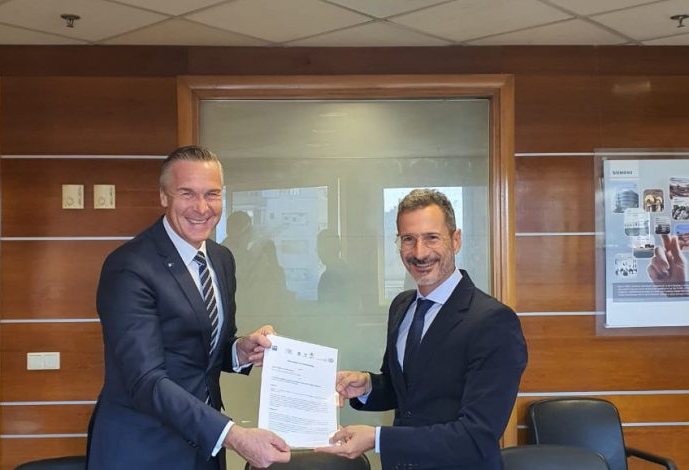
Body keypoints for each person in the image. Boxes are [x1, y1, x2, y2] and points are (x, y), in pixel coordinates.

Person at [87, 146, 291, 469]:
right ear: (163, 196)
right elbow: (145, 380)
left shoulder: (221, 259)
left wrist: (239, 351)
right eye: (187, 194)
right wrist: (232, 435)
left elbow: (201, 352)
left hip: (204, 448)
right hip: (144, 448)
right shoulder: (129, 267)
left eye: (212, 194)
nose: (201, 207)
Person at [317, 189, 527, 470]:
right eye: (408, 239)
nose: (419, 252)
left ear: (456, 240)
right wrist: (368, 386)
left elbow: (476, 436)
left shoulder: (493, 322)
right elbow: (408, 392)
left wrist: (378, 438)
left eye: (431, 238)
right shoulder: (402, 306)